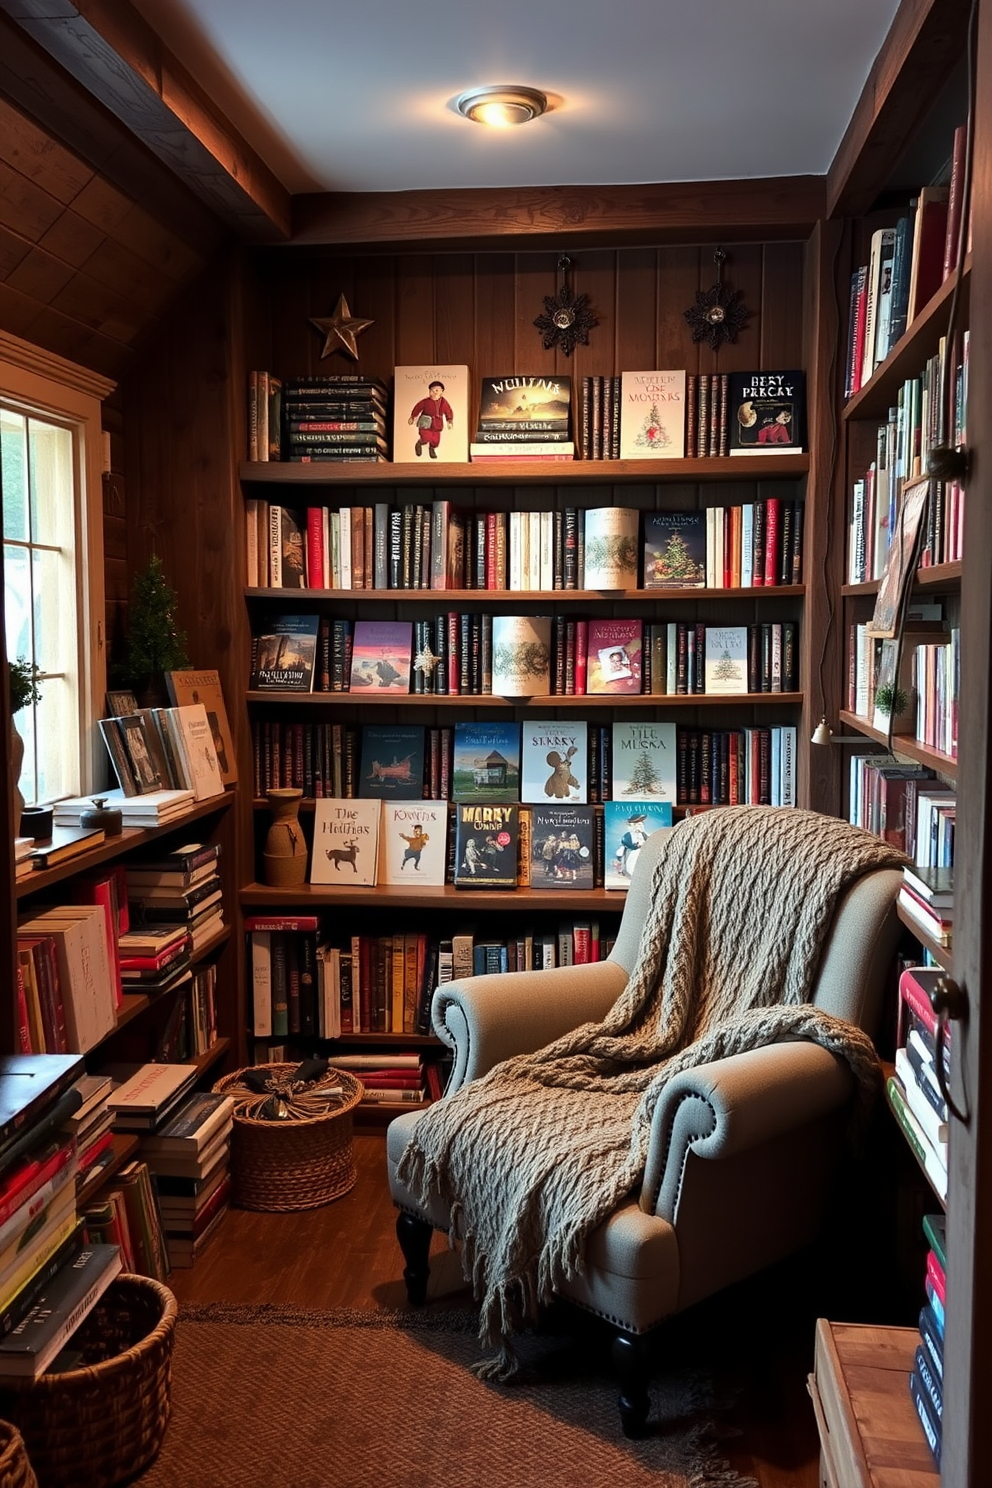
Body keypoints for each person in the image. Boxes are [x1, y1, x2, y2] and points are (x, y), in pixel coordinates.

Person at [408, 380, 454, 459]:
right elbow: (418, 407)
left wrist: (449, 420)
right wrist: (413, 416)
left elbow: (448, 411)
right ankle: (419, 443)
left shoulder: (443, 402)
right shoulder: (426, 401)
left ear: (441, 392)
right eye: (431, 391)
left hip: (437, 424)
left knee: (435, 440)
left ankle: (432, 448)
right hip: (426, 423)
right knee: (425, 437)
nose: (434, 393)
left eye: (436, 390)